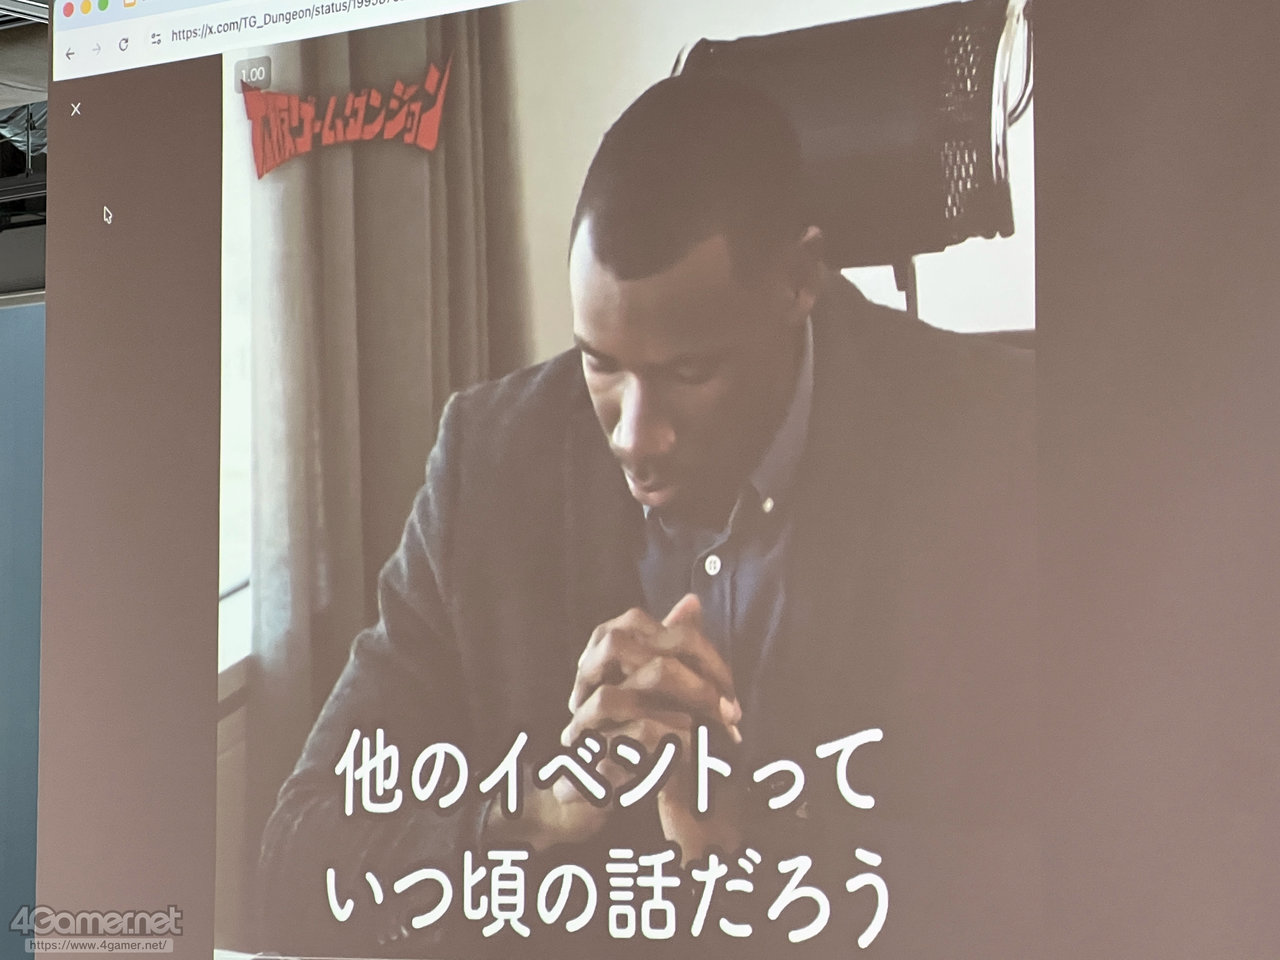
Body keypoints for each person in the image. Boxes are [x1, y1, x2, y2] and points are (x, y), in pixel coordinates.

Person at [259, 72, 1037, 959]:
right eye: (599, 364)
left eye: (689, 372)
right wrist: (530, 812)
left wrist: (755, 836)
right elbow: (298, 863)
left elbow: (1091, 872)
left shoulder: (1001, 448)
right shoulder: (491, 462)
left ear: (798, 282)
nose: (634, 437)